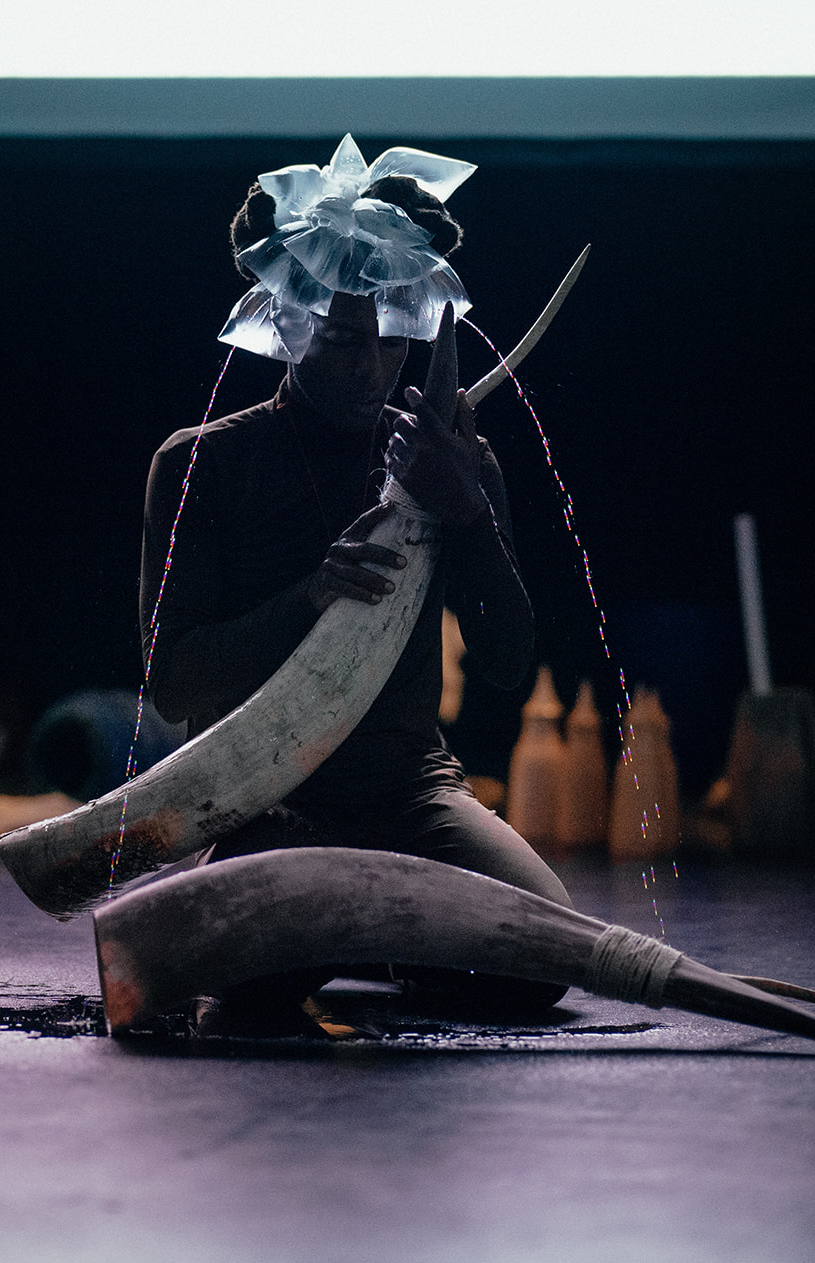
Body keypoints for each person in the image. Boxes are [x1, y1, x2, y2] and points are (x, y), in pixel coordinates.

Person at [138, 138, 570, 1021]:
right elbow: (174, 682)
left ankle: (369, 930)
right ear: (289, 325)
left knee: (543, 956)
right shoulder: (202, 464)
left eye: (389, 341)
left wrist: (466, 512)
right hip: (267, 795)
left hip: (410, 789)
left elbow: (507, 663)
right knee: (254, 982)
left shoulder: (451, 459)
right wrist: (309, 597)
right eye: (340, 341)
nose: (369, 369)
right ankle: (376, 928)